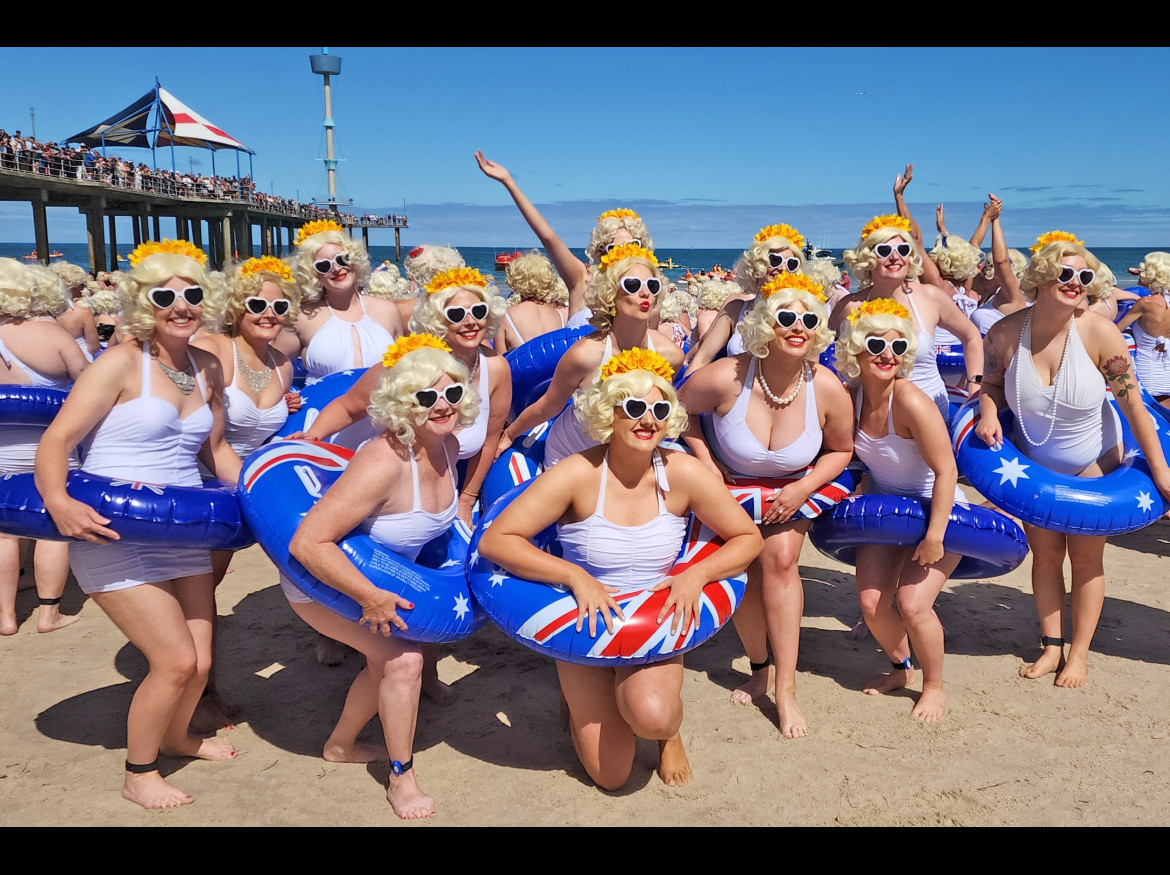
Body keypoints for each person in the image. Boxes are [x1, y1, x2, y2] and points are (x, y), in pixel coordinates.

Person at [478, 348, 762, 789]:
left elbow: (748, 538)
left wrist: (697, 574)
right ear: (608, 413)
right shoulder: (576, 474)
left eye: (659, 409)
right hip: (583, 618)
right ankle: (579, 696)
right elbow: (498, 540)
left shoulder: (683, 472)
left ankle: (669, 738)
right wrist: (573, 576)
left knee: (652, 717)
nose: (648, 420)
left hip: (655, 618)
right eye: (633, 408)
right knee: (612, 776)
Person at [34, 239, 239, 809]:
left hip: (184, 529)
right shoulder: (122, 361)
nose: (182, 305)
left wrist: (256, 495)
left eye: (193, 294)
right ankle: (139, 772)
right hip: (114, 529)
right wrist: (59, 502)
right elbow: (58, 441)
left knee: (200, 658)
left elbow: (216, 452)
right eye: (166, 295)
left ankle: (177, 737)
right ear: (144, 302)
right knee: (172, 660)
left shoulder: (208, 366)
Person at [288, 334, 480, 819]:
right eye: (426, 397)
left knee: (388, 660)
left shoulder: (448, 444)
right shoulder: (383, 460)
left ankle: (340, 745)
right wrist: (370, 596)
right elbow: (308, 543)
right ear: (401, 403)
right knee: (403, 662)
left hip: (381, 576)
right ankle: (402, 777)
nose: (442, 405)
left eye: (452, 393)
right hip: (323, 582)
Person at [976, 239, 1170, 688]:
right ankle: (1050, 647)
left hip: (1094, 463)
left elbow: (1135, 406)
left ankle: (1079, 653)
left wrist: (1159, 469)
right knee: (1044, 558)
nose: (1075, 284)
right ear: (1042, 277)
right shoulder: (1004, 334)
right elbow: (989, 384)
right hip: (1035, 465)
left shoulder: (1099, 333)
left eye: (1084, 277)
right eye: (1065, 275)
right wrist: (988, 411)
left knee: (1085, 560)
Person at [680, 273, 853, 737]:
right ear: (763, 325)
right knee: (746, 569)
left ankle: (788, 690)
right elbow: (676, 414)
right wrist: (706, 462)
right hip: (732, 488)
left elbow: (841, 450)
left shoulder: (828, 387)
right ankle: (760, 668)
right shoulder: (725, 376)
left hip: (794, 488)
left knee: (779, 561)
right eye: (786, 317)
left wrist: (803, 488)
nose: (798, 326)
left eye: (808, 318)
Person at [836, 298, 965, 721]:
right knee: (872, 605)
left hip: (937, 512)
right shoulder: (850, 398)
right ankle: (899, 668)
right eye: (875, 344)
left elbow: (947, 471)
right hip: (887, 513)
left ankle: (934, 686)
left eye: (896, 346)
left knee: (912, 604)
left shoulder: (911, 401)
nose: (886, 354)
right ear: (855, 350)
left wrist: (935, 536)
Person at [191, 255, 302, 729]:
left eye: (279, 306)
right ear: (237, 306)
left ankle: (202, 686)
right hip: (199, 482)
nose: (268, 313)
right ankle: (199, 692)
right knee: (197, 592)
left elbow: (268, 437)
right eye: (257, 303)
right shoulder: (211, 349)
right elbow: (197, 433)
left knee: (205, 592)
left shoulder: (284, 367)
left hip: (240, 485)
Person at [497, 244, 683, 466]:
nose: (645, 293)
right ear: (611, 294)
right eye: (632, 285)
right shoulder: (585, 354)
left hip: (627, 457)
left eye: (652, 286)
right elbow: (549, 405)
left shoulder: (670, 356)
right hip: (574, 453)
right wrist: (510, 434)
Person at [0, 259, 88, 634]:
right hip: (51, 446)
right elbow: (87, 382)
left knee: (4, 531)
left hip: (2, 447)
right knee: (52, 524)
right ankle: (48, 613)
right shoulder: (51, 334)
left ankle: (5, 616)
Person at [833, 207, 983, 424]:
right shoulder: (850, 306)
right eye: (884, 250)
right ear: (868, 258)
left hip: (931, 418)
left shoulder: (931, 297)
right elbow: (820, 350)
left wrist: (974, 384)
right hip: (870, 421)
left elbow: (971, 336)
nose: (895, 257)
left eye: (903, 249)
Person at [475, 150, 652, 326]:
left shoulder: (649, 292)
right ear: (601, 251)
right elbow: (548, 237)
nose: (624, 254)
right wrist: (509, 182)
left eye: (632, 246)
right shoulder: (583, 280)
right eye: (614, 248)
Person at [280, 220, 403, 377]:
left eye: (342, 259)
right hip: (324, 401)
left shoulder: (388, 310)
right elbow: (272, 367)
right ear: (312, 274)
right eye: (324, 266)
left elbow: (403, 369)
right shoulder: (302, 318)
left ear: (354, 259)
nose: (336, 269)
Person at [687, 224, 806, 370]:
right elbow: (702, 358)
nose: (782, 268)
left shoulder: (806, 313)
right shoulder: (736, 309)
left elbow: (811, 369)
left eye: (791, 264)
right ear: (757, 264)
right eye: (775, 260)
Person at [1118, 251, 1170, 405]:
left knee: (1152, 418)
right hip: (1167, 367)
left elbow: (1116, 329)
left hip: (1149, 371)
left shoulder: (1146, 304)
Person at [497, 251, 566, 353]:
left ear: (514, 280)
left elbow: (500, 363)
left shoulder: (505, 317)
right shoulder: (559, 316)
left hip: (521, 368)